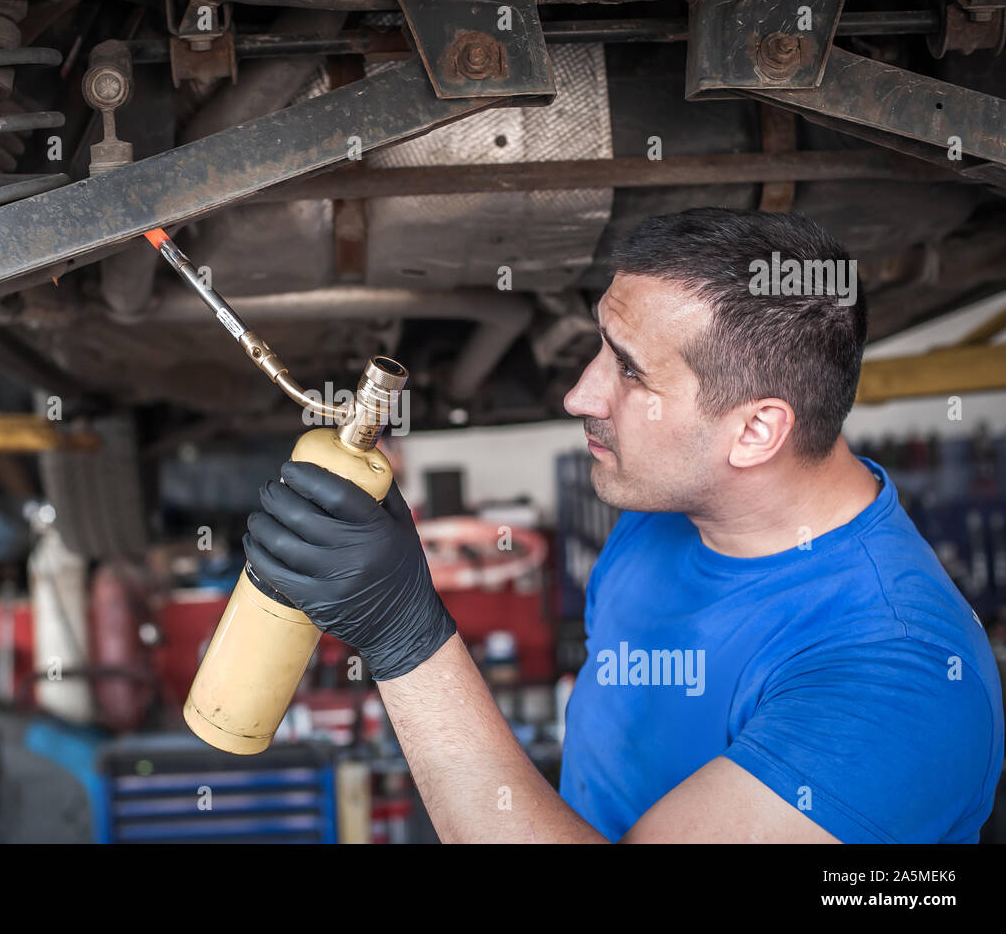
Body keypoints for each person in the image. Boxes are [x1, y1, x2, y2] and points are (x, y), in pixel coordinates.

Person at [242, 208, 1004, 843]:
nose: (577, 394)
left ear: (755, 432)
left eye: (630, 369)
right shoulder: (664, 512)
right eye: (600, 348)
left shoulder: (899, 682)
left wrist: (404, 635)